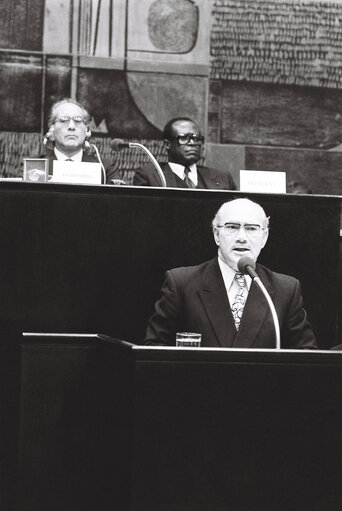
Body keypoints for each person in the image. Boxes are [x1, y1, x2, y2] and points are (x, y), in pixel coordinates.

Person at [144, 198, 318, 349]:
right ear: (216, 235)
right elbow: (154, 348)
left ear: (264, 237)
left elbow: (306, 356)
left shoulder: (286, 289)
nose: (241, 237)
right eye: (232, 227)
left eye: (251, 229)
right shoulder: (182, 283)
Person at [133, 117, 237, 190]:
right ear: (167, 144)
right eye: (184, 138)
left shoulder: (223, 178)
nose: (192, 143)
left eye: (197, 139)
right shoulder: (149, 175)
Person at [42, 98, 104, 178]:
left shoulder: (104, 168)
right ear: (52, 131)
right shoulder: (34, 167)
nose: (71, 127)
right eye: (64, 120)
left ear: (86, 131)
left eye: (77, 121)